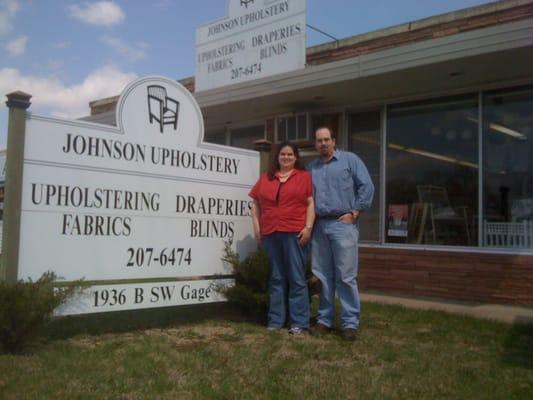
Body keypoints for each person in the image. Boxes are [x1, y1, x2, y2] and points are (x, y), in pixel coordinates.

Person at [308, 127, 374, 341]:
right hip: (320, 226)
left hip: (342, 225)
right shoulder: (312, 168)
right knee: (323, 276)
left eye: (327, 139)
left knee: (346, 276)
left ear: (334, 141)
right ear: (315, 144)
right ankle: (325, 320)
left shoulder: (349, 160)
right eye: (319, 141)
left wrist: (355, 213)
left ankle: (349, 323)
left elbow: (367, 186)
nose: (323, 144)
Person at [249, 141, 315, 334]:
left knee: (296, 278)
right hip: (271, 233)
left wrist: (308, 227)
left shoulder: (304, 177)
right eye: (283, 154)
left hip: (294, 232)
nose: (286, 157)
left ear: (296, 157)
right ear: (277, 157)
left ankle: (299, 323)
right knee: (277, 278)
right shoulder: (266, 178)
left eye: (290, 155)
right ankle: (275, 321)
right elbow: (255, 203)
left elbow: (310, 204)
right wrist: (257, 227)